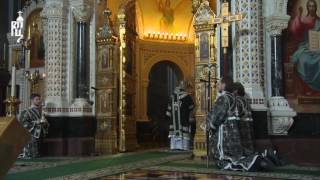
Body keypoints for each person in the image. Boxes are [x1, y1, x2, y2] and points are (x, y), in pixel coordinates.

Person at [207, 77, 269, 171]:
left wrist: (209, 124)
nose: (218, 85)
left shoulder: (224, 98)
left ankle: (248, 164)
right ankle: (256, 160)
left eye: (219, 83)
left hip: (224, 132)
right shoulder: (236, 99)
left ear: (224, 85)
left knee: (223, 158)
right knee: (235, 155)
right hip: (235, 131)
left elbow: (217, 115)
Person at [289, 0, 320, 92]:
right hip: (305, 46)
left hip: (317, 46)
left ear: (316, 8)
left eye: (313, 6)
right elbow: (295, 29)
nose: (312, 8)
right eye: (310, 6)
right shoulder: (303, 19)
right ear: (307, 7)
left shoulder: (319, 21)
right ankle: (307, 88)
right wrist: (299, 14)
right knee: (303, 60)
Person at [18, 93, 49, 158]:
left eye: (39, 99)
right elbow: (23, 124)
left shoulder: (41, 112)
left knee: (38, 154)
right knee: (33, 155)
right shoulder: (26, 111)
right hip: (31, 135)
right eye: (37, 99)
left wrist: (45, 123)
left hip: (40, 134)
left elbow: (44, 123)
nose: (39, 101)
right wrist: (37, 122)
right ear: (32, 101)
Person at [166, 81, 194, 151]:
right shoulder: (187, 96)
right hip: (183, 119)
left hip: (174, 121)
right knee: (183, 131)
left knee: (174, 132)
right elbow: (191, 107)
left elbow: (168, 111)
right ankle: (183, 147)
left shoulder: (172, 95)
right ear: (184, 87)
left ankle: (174, 146)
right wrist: (191, 117)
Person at [233, 82, 255, 153]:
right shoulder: (245, 100)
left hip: (242, 127)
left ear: (236, 90)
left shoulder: (237, 101)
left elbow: (237, 114)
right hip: (248, 127)